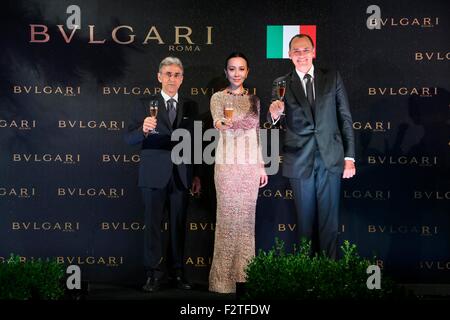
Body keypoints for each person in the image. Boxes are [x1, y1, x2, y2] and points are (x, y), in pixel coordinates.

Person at [268, 34, 356, 259]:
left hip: (331, 158)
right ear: (289, 55)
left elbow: (345, 117)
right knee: (305, 224)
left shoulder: (332, 77)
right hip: (299, 159)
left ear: (313, 51)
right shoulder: (281, 83)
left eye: (305, 50)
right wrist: (274, 113)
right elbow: (272, 120)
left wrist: (350, 157)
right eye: (296, 51)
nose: (301, 55)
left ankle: (330, 273)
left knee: (330, 223)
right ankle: (306, 275)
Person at [125, 56, 201, 292]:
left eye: (177, 74)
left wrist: (196, 175)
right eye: (168, 74)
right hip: (153, 175)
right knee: (153, 227)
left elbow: (196, 143)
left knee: (179, 226)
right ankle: (154, 273)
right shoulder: (143, 104)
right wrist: (142, 130)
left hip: (181, 174)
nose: (172, 78)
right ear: (159, 77)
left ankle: (178, 273)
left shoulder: (191, 106)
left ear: (182, 79)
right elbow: (128, 138)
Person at [209, 52, 268, 293]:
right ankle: (222, 282)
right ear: (226, 72)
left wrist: (262, 165)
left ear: (247, 72)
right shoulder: (218, 97)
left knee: (245, 223)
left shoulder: (255, 100)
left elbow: (256, 134)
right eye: (232, 69)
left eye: (241, 69)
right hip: (226, 165)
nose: (236, 73)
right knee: (226, 221)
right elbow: (217, 121)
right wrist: (223, 123)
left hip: (249, 168)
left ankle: (245, 278)